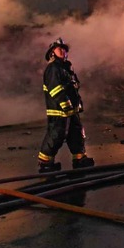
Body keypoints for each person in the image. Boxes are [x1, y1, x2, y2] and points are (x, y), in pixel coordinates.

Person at [37, 38, 95, 173]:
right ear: (52, 53)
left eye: (64, 49)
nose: (63, 51)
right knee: (56, 136)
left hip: (71, 111)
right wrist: (67, 105)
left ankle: (80, 158)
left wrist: (77, 103)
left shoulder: (67, 68)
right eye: (59, 49)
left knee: (77, 135)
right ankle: (45, 162)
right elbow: (55, 90)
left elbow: (73, 88)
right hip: (59, 112)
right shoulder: (53, 69)